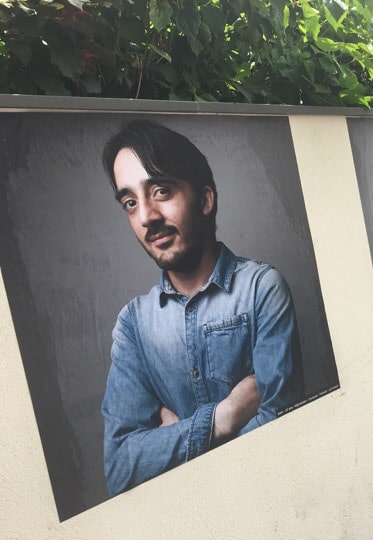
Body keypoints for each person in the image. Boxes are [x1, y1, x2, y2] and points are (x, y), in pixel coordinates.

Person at [100, 120, 303, 496]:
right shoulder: (133, 325)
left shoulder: (261, 289)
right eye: (130, 202)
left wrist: (170, 444)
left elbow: (282, 431)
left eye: (161, 190)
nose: (146, 216)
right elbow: (120, 467)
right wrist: (221, 419)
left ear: (205, 199)